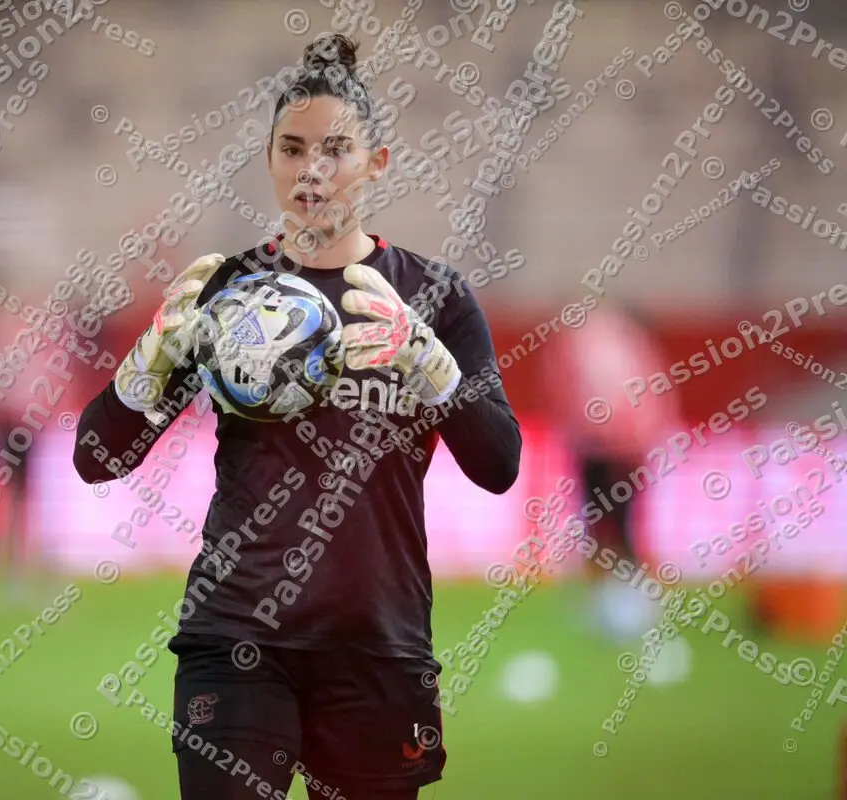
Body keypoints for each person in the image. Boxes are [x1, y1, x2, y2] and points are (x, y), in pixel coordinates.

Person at [72, 35, 521, 799]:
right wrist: (144, 369)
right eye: (293, 148)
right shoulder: (226, 293)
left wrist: (434, 368)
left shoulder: (433, 297)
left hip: (378, 644)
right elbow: (97, 458)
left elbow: (499, 466)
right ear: (270, 158)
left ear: (378, 162)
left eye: (337, 149)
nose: (313, 169)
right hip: (237, 637)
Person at [541, 295, 682, 640]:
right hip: (624, 446)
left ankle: (617, 603)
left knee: (604, 525)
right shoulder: (628, 342)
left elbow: (571, 391)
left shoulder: (589, 342)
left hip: (602, 445)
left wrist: (591, 431)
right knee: (621, 524)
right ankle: (629, 603)